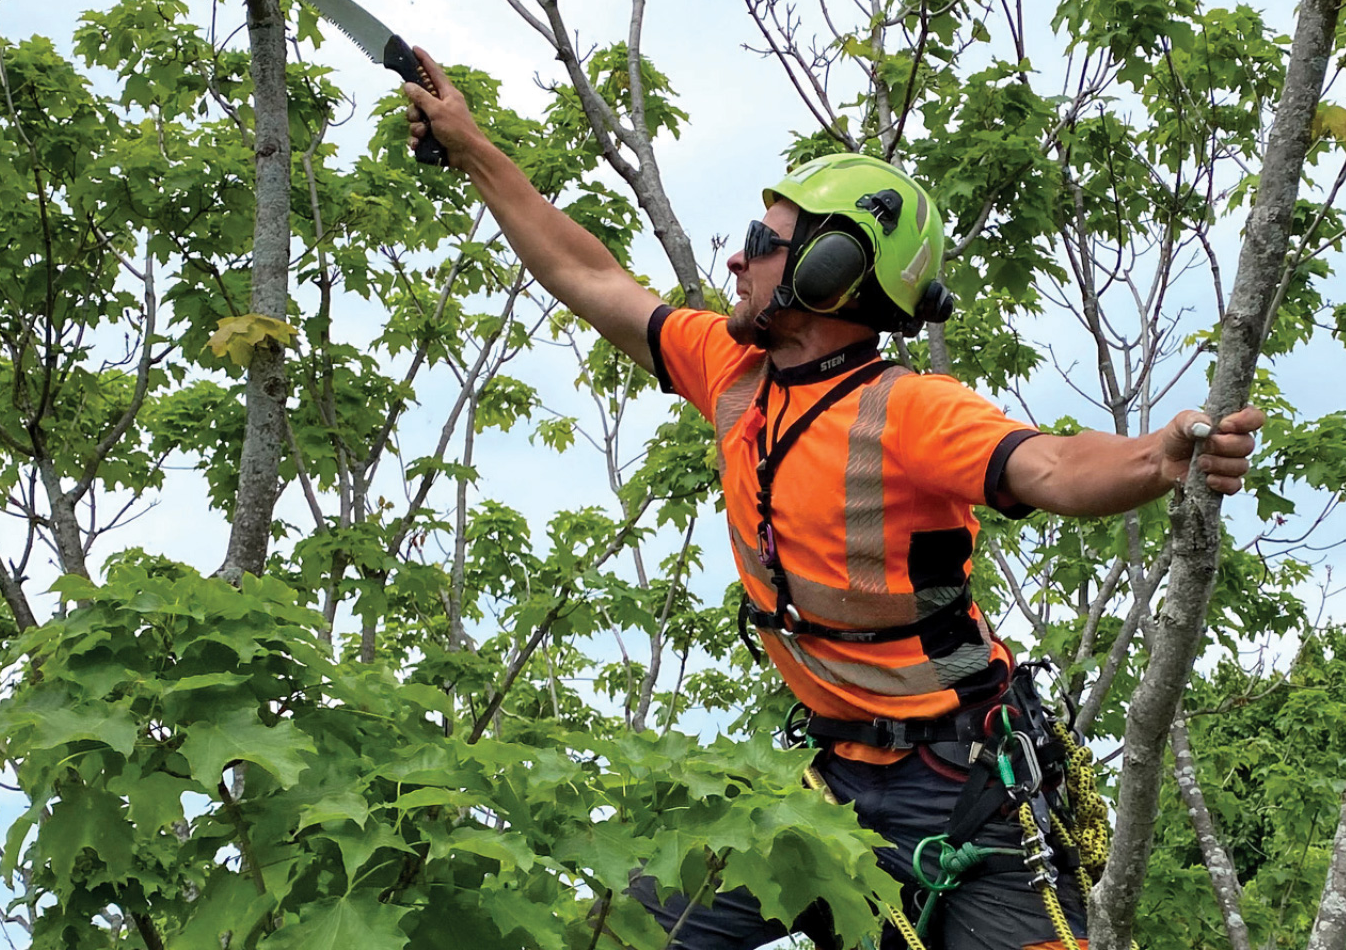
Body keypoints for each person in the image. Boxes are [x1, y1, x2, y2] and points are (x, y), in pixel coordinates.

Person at [400, 49, 1264, 950]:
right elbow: (591, 279)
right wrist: (472, 150)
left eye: (762, 243)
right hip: (832, 782)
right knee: (623, 933)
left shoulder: (911, 410)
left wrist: (1156, 460)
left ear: (828, 270)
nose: (736, 258)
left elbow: (1049, 468)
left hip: (960, 784)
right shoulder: (730, 368)